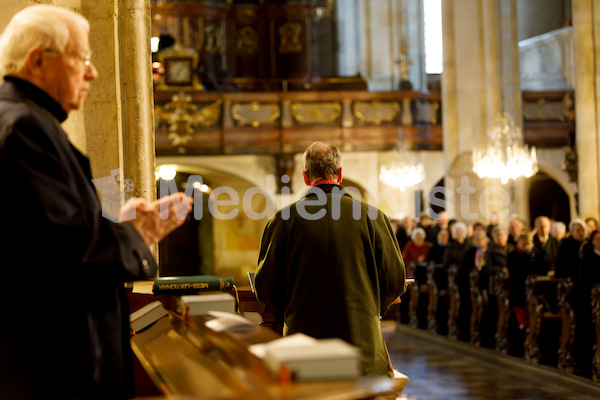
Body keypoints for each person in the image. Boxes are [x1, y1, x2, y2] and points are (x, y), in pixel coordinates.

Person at [0, 6, 192, 400]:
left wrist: (117, 227)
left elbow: (51, 231)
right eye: (83, 59)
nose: (93, 72)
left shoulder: (29, 120)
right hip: (52, 370)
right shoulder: (23, 129)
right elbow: (69, 250)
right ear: (39, 60)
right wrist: (139, 235)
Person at [255, 141, 406, 377]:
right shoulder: (373, 217)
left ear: (305, 177)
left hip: (303, 349)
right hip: (363, 347)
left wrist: (292, 308)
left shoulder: (284, 220)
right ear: (341, 174)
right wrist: (371, 308)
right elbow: (396, 280)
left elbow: (265, 288)